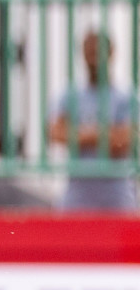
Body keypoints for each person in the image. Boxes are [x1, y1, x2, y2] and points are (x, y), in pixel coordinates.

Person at [50, 30, 136, 211]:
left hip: (118, 203)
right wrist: (104, 132)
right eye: (89, 52)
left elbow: (122, 143)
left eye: (98, 52)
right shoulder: (69, 95)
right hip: (75, 203)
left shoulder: (126, 98)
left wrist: (77, 134)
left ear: (112, 53)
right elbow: (55, 134)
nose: (93, 58)